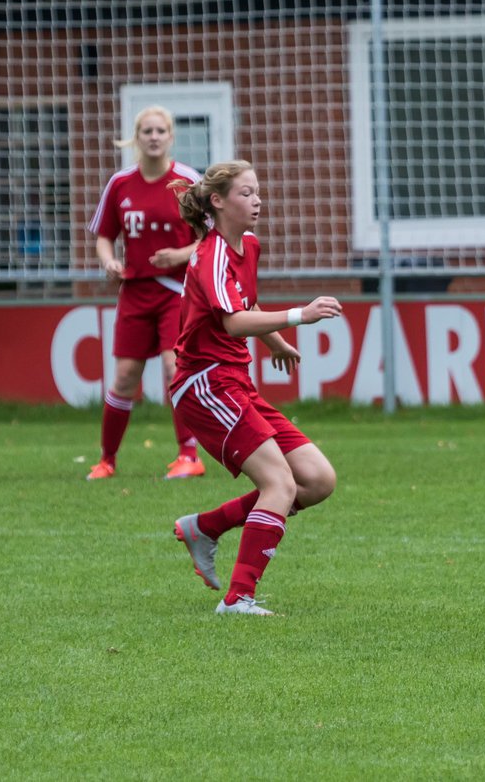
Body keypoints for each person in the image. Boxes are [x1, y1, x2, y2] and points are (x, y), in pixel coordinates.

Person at [167, 160, 343, 616]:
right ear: (218, 201)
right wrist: (298, 316)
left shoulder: (247, 245)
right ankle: (237, 598)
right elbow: (231, 320)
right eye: (246, 193)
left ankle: (205, 527)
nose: (257, 200)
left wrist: (277, 343)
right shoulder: (209, 255)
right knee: (280, 483)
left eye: (257, 191)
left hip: (235, 381)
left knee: (318, 480)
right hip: (205, 385)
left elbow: (247, 303)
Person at [85, 105, 206, 481]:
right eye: (146, 131)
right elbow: (104, 236)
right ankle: (107, 460)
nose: (153, 137)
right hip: (136, 291)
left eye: (160, 131)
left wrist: (180, 254)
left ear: (171, 137)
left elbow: (211, 238)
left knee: (175, 368)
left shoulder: (188, 181)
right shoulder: (120, 183)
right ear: (136, 138)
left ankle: (189, 455)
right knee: (123, 376)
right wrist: (108, 262)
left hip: (176, 290)